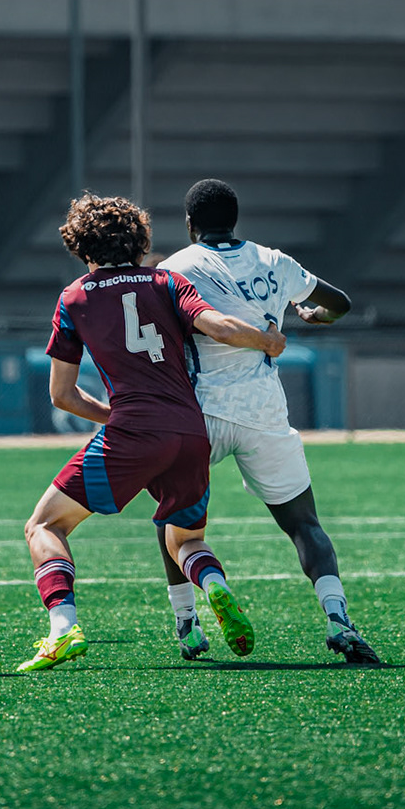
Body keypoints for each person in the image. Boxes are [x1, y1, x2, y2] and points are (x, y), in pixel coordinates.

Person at [17, 193, 287, 673]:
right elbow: (220, 328)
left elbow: (62, 396)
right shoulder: (166, 281)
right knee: (185, 541)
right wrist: (266, 340)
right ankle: (214, 586)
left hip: (134, 431)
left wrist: (118, 420)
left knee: (44, 525)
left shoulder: (75, 297)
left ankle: (62, 629)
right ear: (140, 241)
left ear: (81, 246)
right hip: (189, 431)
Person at [159, 179, 379, 664]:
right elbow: (339, 301)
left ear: (190, 224)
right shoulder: (274, 261)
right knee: (304, 524)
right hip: (264, 411)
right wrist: (316, 315)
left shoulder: (175, 267)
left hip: (201, 412)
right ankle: (338, 619)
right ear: (235, 218)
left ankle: (188, 624)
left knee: (173, 519)